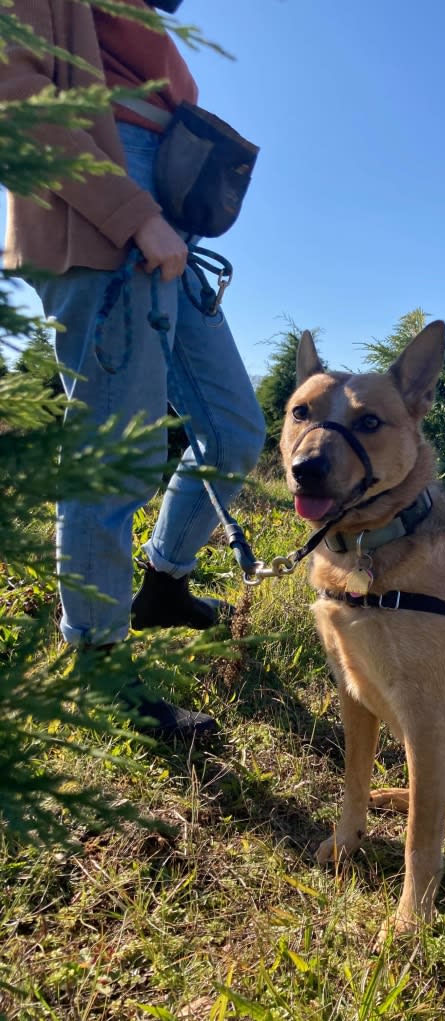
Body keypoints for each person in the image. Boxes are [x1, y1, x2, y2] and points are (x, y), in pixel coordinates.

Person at [1, 0, 265, 739]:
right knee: (117, 452)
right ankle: (96, 661)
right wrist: (132, 212)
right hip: (102, 215)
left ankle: (164, 581)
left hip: (166, 217)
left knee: (237, 428)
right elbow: (15, 108)